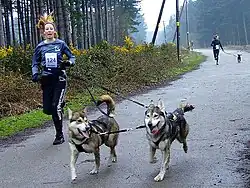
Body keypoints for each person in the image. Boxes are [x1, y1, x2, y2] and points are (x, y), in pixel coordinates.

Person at [31, 12, 75, 145]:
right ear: (43, 32)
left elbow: (72, 57)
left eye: (51, 29)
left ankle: (59, 135)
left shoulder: (61, 44)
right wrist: (35, 74)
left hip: (60, 78)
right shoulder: (40, 47)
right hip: (47, 80)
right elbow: (35, 63)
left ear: (54, 31)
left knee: (55, 107)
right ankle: (59, 105)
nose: (49, 31)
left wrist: (68, 63)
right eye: (47, 29)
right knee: (49, 108)